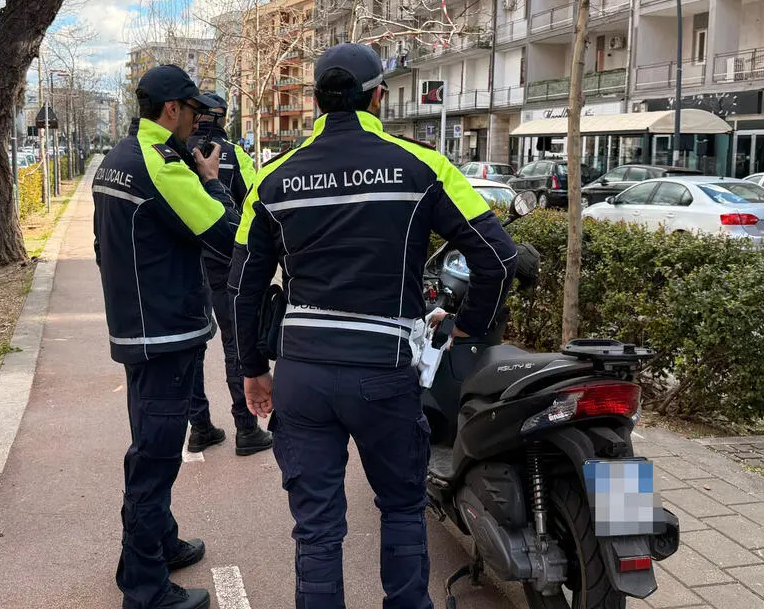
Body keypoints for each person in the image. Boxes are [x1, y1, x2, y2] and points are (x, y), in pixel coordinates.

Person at [228, 43, 520, 607]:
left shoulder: (270, 179)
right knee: (403, 509)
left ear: (316, 101)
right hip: (383, 371)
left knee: (316, 528)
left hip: (303, 373)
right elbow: (499, 257)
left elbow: (243, 287)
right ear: (378, 97)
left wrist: (253, 369)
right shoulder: (424, 166)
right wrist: (469, 327)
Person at [93, 64, 238, 609]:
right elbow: (226, 234)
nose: (200, 121)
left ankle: (157, 545)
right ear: (172, 109)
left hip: (137, 329)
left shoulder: (119, 157)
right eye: (195, 110)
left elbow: (105, 246)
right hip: (165, 332)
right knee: (154, 460)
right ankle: (145, 588)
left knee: (150, 445)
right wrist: (212, 181)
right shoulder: (162, 166)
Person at [183, 93, 274, 456]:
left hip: (185, 267)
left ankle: (200, 427)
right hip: (225, 265)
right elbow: (253, 208)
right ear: (222, 117)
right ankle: (246, 429)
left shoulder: (173, 153)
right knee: (235, 345)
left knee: (191, 346)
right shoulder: (235, 156)